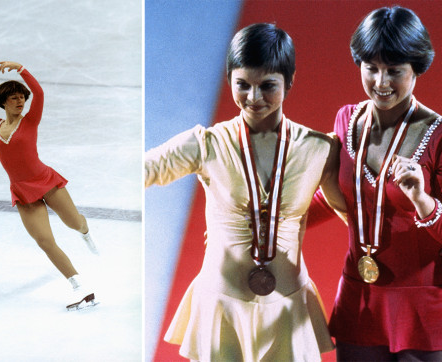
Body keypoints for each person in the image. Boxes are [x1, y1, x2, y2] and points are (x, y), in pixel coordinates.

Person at [144, 23, 345, 361]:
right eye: (243, 85)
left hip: (288, 307)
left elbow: (360, 218)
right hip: (220, 303)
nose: (254, 98)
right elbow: (143, 169)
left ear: (289, 81)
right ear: (229, 80)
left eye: (268, 86)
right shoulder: (206, 144)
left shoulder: (320, 148)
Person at [310, 6, 442, 361]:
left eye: (395, 71)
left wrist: (422, 199)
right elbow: (335, 197)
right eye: (371, 68)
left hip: (428, 307)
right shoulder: (346, 120)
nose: (381, 82)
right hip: (361, 299)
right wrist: (259, 224)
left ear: (417, 68)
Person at [0, 61, 99, 311]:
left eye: (22, 97)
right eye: (14, 98)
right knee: (44, 240)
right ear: (4, 102)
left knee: (73, 222)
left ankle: (85, 230)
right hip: (23, 192)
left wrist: (22, 69)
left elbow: (41, 93)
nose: (20, 101)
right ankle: (80, 286)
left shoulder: (31, 120)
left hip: (47, 183)